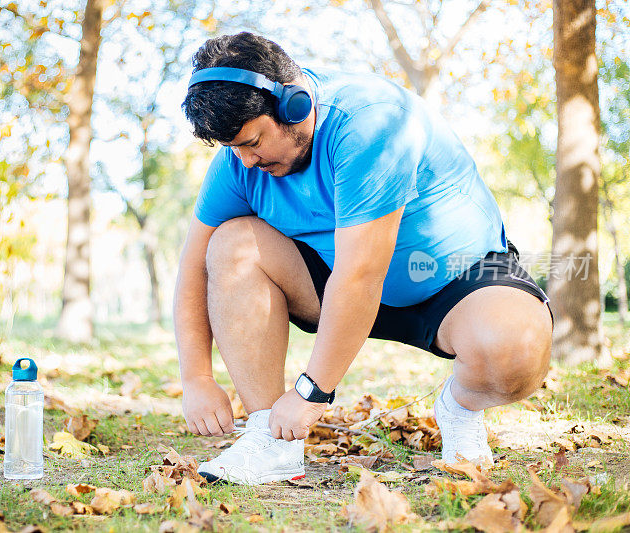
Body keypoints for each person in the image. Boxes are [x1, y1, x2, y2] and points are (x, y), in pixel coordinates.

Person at [174, 32, 553, 485]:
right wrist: (196, 378)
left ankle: (460, 411)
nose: (246, 160)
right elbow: (193, 269)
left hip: (457, 278)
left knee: (516, 350)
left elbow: (362, 274)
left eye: (253, 141)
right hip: (333, 283)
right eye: (233, 147)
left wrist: (312, 392)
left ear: (293, 105)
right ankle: (271, 439)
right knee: (231, 243)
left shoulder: (372, 121)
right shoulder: (238, 164)